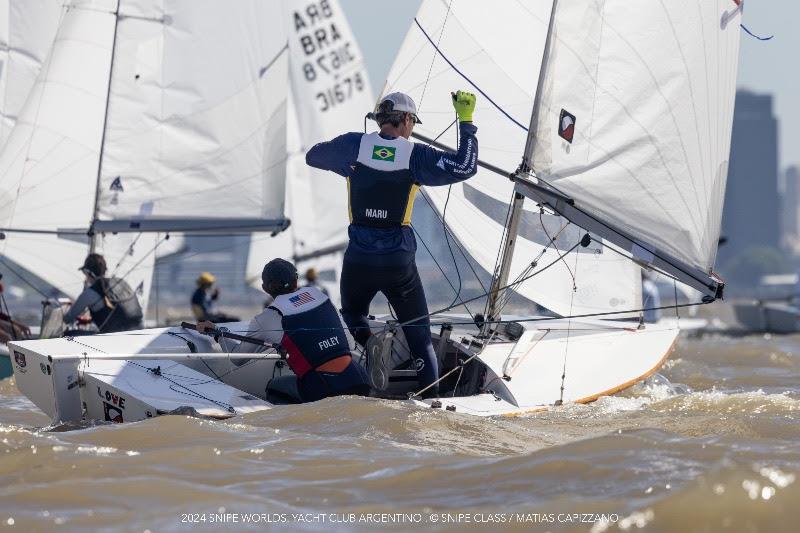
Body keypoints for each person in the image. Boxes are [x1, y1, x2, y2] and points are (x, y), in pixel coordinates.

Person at [305, 90, 478, 397]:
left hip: (359, 258)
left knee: (353, 313)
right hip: (398, 261)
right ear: (407, 120)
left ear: (380, 119)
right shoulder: (415, 155)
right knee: (420, 338)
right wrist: (465, 121)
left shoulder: (353, 145)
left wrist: (347, 165)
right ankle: (430, 401)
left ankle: (369, 341)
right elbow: (465, 167)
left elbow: (313, 156)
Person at [198, 258, 369, 403]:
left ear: (265, 289)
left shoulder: (267, 317)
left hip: (324, 388)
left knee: (274, 387)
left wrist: (216, 333)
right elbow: (349, 343)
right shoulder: (320, 295)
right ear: (296, 281)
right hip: (360, 380)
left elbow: (238, 358)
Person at [63, 254, 144, 333]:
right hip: (138, 333)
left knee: (69, 334)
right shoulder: (121, 282)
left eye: (84, 273)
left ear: (89, 272)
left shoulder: (90, 292)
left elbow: (67, 319)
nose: (85, 276)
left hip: (115, 339)